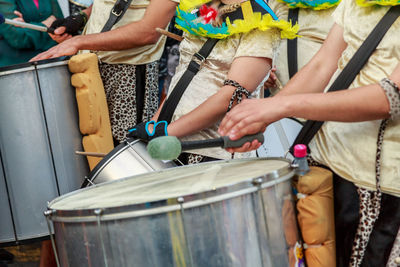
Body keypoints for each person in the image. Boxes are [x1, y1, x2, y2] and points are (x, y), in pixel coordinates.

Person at [218, 0, 400, 265]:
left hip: (379, 186)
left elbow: (390, 98)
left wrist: (279, 105)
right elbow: (323, 65)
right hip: (324, 168)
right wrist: (262, 116)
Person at [128, 0, 298, 164]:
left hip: (212, 152)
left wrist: (166, 132)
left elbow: (231, 96)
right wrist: (155, 123)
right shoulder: (203, 9)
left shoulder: (262, 23)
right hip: (170, 144)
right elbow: (184, 75)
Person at [31, 0, 179, 144]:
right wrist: (82, 17)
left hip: (129, 76)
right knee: (82, 150)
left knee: (121, 155)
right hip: (88, 65)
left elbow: (149, 32)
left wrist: (78, 41)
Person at [265, 0, 337, 93]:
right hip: (278, 95)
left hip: (327, 97)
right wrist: (261, 70)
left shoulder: (350, 6)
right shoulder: (271, 3)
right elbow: (262, 44)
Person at [0, 0, 63, 67]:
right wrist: (45, 25)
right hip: (18, 68)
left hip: (54, 61)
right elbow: (17, 37)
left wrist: (28, 27)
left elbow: (61, 29)